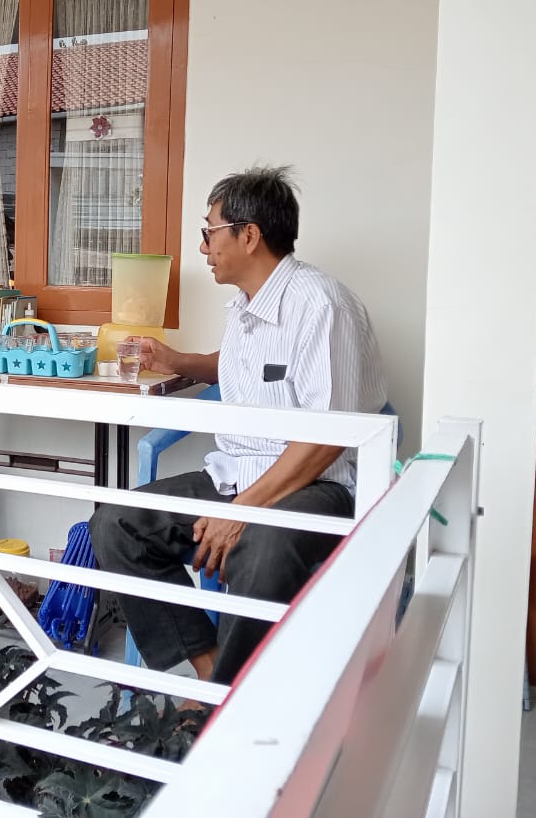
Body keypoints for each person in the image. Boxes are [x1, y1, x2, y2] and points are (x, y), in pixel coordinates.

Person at [90, 165, 388, 686]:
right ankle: (216, 680)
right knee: (117, 522)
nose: (203, 247)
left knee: (261, 548)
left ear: (248, 235)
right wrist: (175, 359)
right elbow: (240, 368)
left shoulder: (321, 306)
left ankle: (235, 702)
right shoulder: (246, 306)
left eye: (210, 232)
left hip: (316, 484)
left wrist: (242, 511)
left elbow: (328, 437)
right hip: (235, 476)